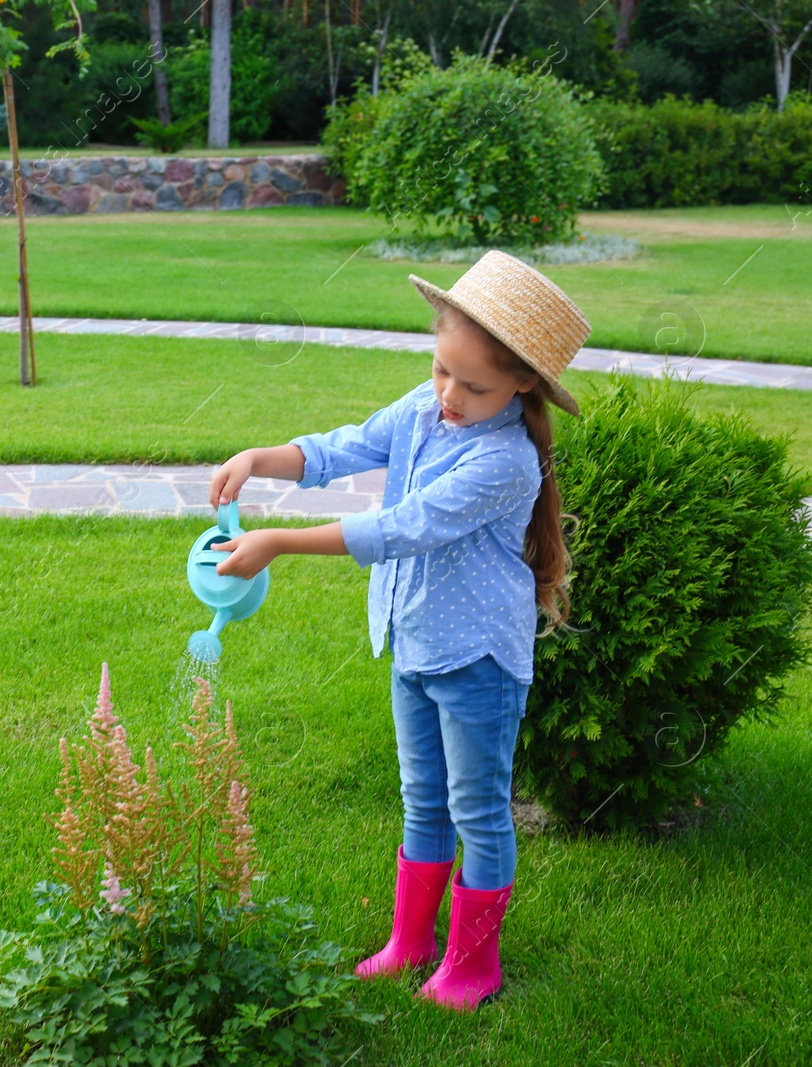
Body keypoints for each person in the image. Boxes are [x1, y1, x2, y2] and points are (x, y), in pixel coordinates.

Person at [206, 249, 591, 1011]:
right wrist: (260, 457)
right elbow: (345, 446)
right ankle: (412, 942)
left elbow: (401, 528)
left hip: (477, 657)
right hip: (413, 641)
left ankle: (474, 965)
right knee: (422, 798)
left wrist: (279, 540)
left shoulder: (507, 462)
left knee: (477, 808)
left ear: (522, 384)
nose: (448, 393)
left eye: (472, 384)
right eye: (441, 368)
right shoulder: (427, 405)